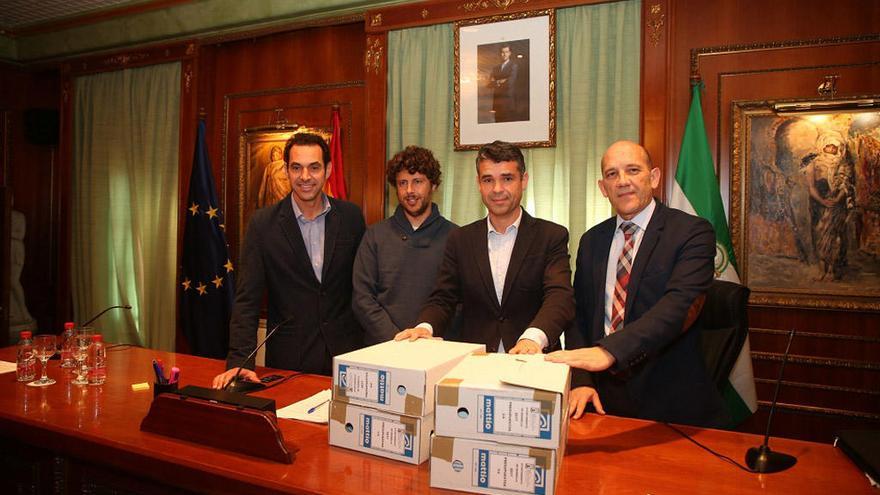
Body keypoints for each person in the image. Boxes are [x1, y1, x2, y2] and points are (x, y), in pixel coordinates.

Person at [546, 140, 725, 427]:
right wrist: (581, 379)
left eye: (632, 170)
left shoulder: (692, 233)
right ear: (603, 187)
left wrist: (609, 351)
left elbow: (677, 307)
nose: (623, 182)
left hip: (669, 403)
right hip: (601, 399)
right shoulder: (592, 240)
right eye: (612, 174)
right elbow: (578, 313)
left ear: (653, 177)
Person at [213, 132, 366, 388]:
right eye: (297, 168)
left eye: (314, 167)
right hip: (289, 359)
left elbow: (363, 288)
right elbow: (247, 300)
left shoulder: (351, 217)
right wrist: (240, 361)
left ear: (328, 170)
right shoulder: (263, 224)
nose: (305, 177)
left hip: (347, 357)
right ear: (286, 170)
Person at [395, 141, 574, 354]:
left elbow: (559, 297)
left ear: (523, 181)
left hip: (533, 359)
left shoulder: (551, 236)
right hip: (475, 363)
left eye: (507, 179)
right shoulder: (460, 239)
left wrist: (533, 338)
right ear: (479, 183)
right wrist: (425, 327)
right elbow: (443, 298)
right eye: (488, 180)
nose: (497, 189)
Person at [352, 146, 457, 345]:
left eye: (417, 182)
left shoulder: (456, 237)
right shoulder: (375, 235)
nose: (409, 191)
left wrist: (427, 336)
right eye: (402, 183)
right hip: (383, 349)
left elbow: (459, 300)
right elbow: (362, 299)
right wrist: (397, 340)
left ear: (433, 185)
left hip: (437, 349)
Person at [489, 45, 518, 123]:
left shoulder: (513, 66)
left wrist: (496, 81)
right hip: (497, 103)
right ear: (500, 54)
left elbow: (509, 83)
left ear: (510, 53)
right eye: (502, 52)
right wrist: (500, 81)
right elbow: (489, 84)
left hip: (508, 103)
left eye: (506, 52)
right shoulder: (496, 68)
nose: (504, 54)